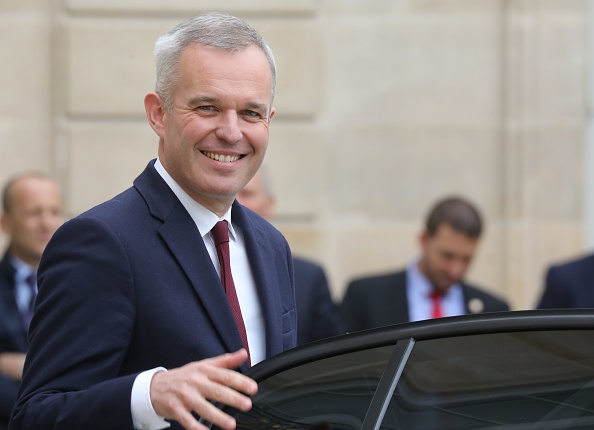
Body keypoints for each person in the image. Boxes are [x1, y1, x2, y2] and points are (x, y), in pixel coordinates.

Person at [10, 12, 296, 430]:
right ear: (158, 114)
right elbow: (35, 416)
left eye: (251, 113)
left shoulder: (272, 246)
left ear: (268, 122)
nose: (231, 132)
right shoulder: (99, 242)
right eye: (207, 107)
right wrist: (148, 396)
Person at [340, 196, 509, 332]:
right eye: (447, 256)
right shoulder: (366, 297)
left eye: (466, 259)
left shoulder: (494, 310)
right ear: (424, 240)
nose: (455, 270)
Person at [236, 167, 345, 345]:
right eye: (231, 194)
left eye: (246, 194)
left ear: (270, 204)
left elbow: (333, 355)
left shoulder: (307, 278)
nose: (236, 203)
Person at [0, 173, 63, 430]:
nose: (46, 223)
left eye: (54, 211)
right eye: (33, 213)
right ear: (6, 223)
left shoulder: (87, 284)